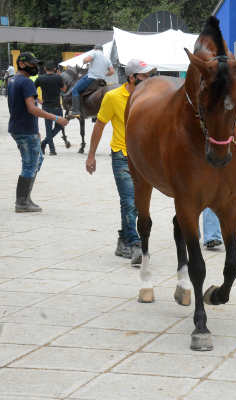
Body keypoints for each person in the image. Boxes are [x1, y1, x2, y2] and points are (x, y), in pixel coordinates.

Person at [85, 59, 155, 266]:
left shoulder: (152, 98)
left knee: (137, 202)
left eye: (149, 75)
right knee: (129, 200)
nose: (148, 79)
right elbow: (99, 125)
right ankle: (135, 245)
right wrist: (91, 156)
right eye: (144, 76)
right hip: (122, 154)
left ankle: (122, 239)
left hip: (144, 158)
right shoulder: (113, 97)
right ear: (132, 77)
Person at [8, 52, 69, 213]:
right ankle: (22, 202)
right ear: (21, 64)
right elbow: (32, 108)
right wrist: (57, 118)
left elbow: (15, 107)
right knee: (30, 164)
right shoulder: (27, 82)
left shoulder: (12, 80)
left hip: (18, 127)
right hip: (25, 130)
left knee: (37, 159)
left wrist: (36, 130)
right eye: (32, 64)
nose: (35, 67)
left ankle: (25, 198)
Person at [69, 44, 114, 117]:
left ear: (95, 49)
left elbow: (86, 60)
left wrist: (84, 60)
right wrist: (104, 74)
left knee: (75, 90)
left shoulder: (94, 53)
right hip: (102, 80)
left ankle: (75, 111)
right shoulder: (107, 58)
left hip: (91, 78)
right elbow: (112, 71)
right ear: (102, 50)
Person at [35, 61, 66, 155]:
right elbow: (64, 89)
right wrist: (60, 77)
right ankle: (50, 148)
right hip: (57, 106)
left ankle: (45, 144)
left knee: (48, 128)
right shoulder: (58, 77)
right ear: (55, 69)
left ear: (45, 69)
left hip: (46, 107)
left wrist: (38, 100)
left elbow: (31, 90)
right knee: (60, 126)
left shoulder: (40, 78)